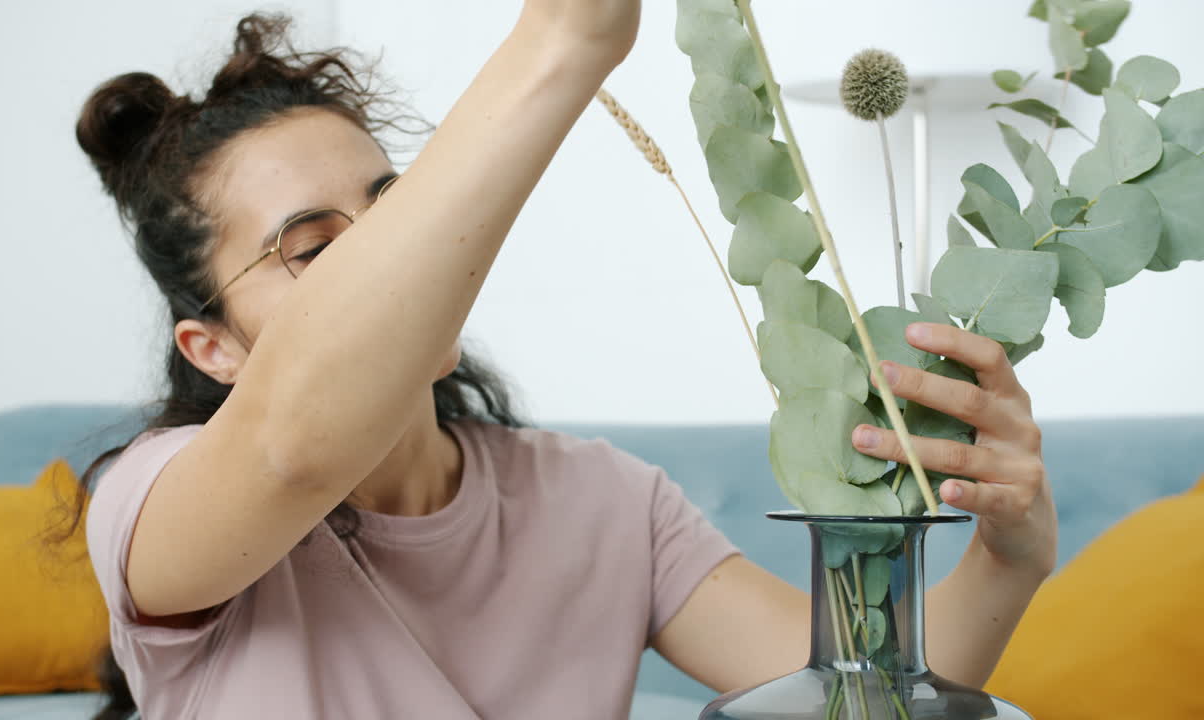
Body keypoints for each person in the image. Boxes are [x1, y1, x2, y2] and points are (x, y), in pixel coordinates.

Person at [72, 3, 1056, 718]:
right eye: (318, 249)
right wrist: (564, 39)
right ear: (215, 349)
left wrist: (1008, 558)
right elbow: (294, 448)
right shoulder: (145, 502)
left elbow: (865, 699)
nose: (398, 260)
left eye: (400, 207)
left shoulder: (601, 502)